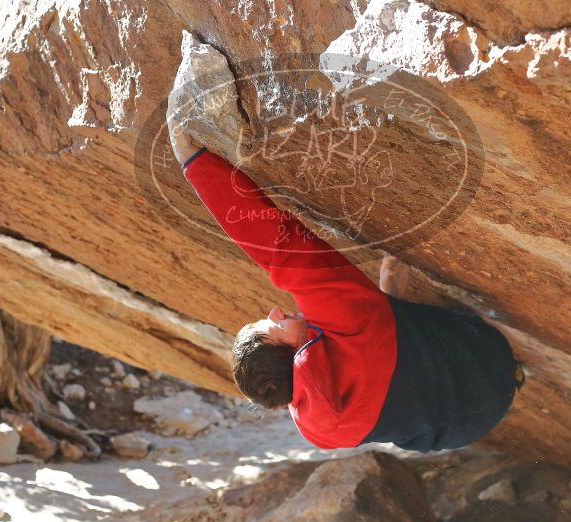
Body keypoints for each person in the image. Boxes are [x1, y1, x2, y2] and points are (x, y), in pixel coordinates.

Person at [169, 125, 524, 452]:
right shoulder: (348, 321)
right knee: (387, 329)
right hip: (487, 363)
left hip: (466, 425)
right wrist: (196, 164)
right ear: (293, 353)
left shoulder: (316, 429)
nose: (274, 312)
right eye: (272, 326)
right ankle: (406, 314)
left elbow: (342, 371)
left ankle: (393, 310)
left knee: (389, 353)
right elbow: (281, 249)